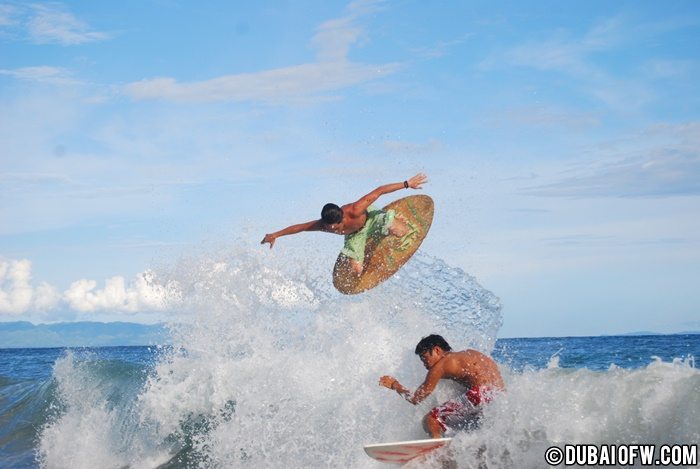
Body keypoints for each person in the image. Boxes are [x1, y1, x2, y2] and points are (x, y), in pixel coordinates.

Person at [260, 173, 428, 275]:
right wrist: (275, 235)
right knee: (356, 270)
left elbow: (379, 191)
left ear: (342, 218)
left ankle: (391, 224)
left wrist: (407, 184)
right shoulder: (322, 225)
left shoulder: (355, 209)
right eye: (328, 227)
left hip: (371, 218)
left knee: (401, 231)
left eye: (335, 226)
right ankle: (368, 243)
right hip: (355, 235)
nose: (332, 229)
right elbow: (299, 227)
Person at [379, 334, 504, 438]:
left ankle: (439, 457)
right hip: (499, 397)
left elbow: (415, 398)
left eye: (425, 358)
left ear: (437, 350)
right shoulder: (468, 354)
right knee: (469, 426)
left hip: (480, 394)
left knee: (431, 420)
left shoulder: (441, 366)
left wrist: (395, 385)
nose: (424, 364)